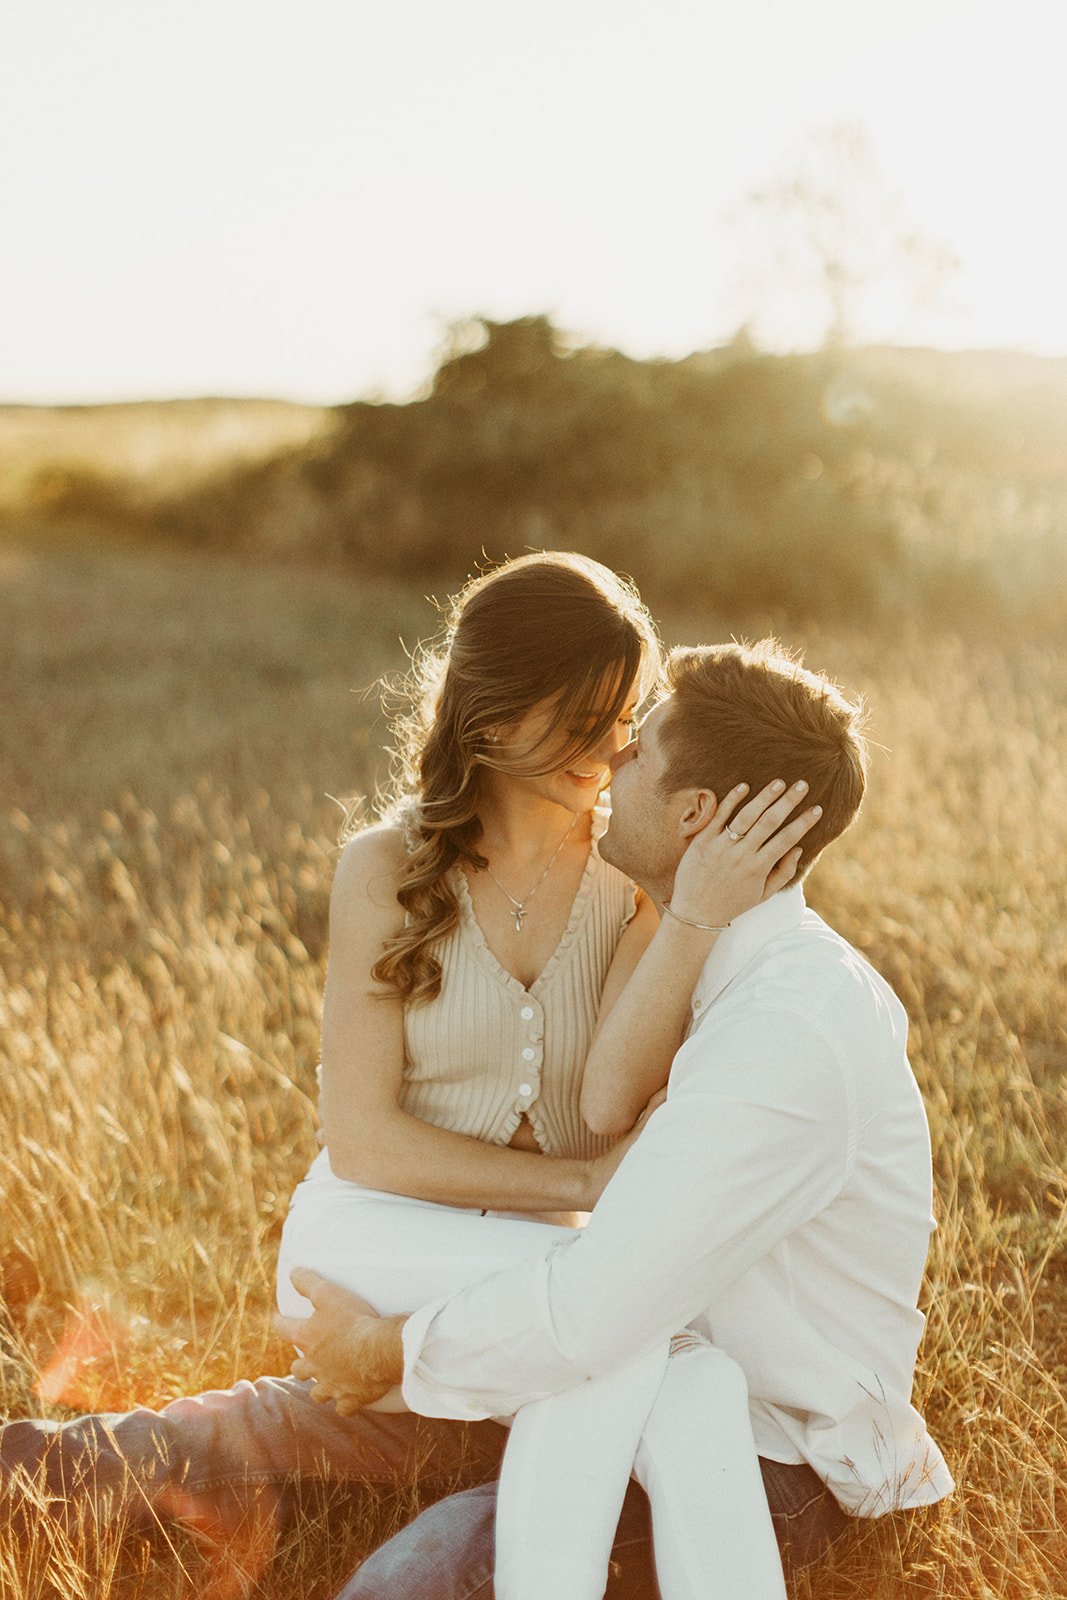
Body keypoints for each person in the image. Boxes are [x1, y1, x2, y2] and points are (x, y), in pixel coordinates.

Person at [0, 555, 812, 1596]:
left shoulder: (633, 884)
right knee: (636, 1345)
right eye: (581, 713)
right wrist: (579, 1191)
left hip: (519, 1278)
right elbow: (366, 1143)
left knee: (407, 1411)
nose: (611, 744)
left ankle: (98, 1460)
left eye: (625, 714)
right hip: (375, 1236)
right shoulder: (385, 867)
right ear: (492, 712)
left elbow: (607, 1108)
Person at [275, 637, 955, 1600]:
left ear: (695, 814)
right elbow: (600, 1118)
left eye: (640, 748)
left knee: (432, 1573)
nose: (612, 755)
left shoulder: (786, 1022)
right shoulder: (709, 960)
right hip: (614, 1371)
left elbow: (594, 1313)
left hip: (772, 1451)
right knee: (259, 1440)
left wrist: (390, 1348)